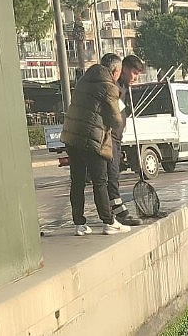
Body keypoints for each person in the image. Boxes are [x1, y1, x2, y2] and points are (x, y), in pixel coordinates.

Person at [60, 53, 131, 236]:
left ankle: (79, 224)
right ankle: (108, 222)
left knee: (77, 181)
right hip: (93, 140)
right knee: (100, 182)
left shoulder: (84, 81)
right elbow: (116, 119)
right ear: (115, 71)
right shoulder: (109, 86)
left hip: (72, 137)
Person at [107, 55, 145, 226]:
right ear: (124, 69)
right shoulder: (113, 86)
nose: (136, 77)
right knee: (111, 175)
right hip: (109, 138)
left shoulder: (123, 87)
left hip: (116, 139)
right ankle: (115, 212)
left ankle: (111, 211)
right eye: (134, 73)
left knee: (113, 173)